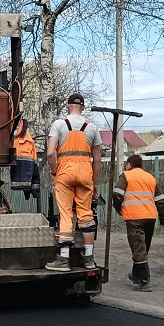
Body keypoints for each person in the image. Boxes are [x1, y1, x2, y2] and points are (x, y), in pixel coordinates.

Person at [44, 93, 102, 271]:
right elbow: (97, 159)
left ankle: (63, 260)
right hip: (85, 173)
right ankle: (89, 259)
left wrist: (55, 170)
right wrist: (93, 183)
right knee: (86, 215)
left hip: (65, 173)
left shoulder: (59, 124)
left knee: (66, 214)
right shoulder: (91, 127)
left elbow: (50, 153)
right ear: (83, 107)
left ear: (67, 106)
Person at [113, 154, 164, 291]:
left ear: (129, 165)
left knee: (139, 249)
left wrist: (118, 208)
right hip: (150, 218)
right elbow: (160, 200)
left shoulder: (126, 176)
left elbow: (117, 193)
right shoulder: (150, 178)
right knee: (143, 249)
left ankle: (144, 282)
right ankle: (136, 275)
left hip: (134, 218)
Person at [10, 118, 40, 200]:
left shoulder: (19, 140)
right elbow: (35, 170)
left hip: (21, 177)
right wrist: (35, 192)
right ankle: (30, 192)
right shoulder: (29, 141)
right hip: (27, 179)